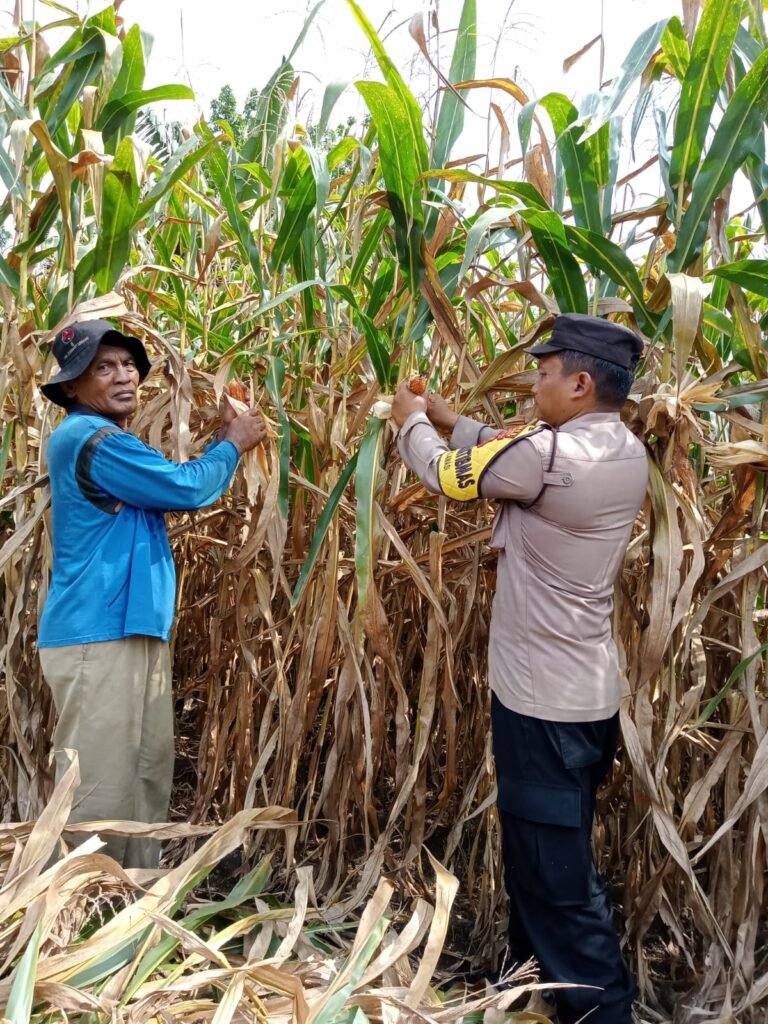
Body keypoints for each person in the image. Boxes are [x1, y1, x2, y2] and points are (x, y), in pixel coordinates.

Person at [391, 313, 648, 1024]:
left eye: (543, 374)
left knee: (559, 879)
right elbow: (512, 453)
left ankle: (603, 1013)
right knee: (541, 858)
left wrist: (412, 422)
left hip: (542, 706)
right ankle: (528, 985)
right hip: (585, 700)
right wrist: (453, 417)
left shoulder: (551, 456)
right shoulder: (618, 449)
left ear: (581, 382)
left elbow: (450, 477)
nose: (534, 385)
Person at [37, 318, 266, 869]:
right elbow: (185, 487)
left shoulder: (111, 445)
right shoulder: (90, 437)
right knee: (99, 793)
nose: (125, 377)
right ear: (72, 387)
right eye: (104, 367)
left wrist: (218, 439)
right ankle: (75, 923)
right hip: (97, 637)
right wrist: (233, 444)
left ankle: (131, 918)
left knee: (141, 780)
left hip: (128, 633)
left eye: (129, 366)